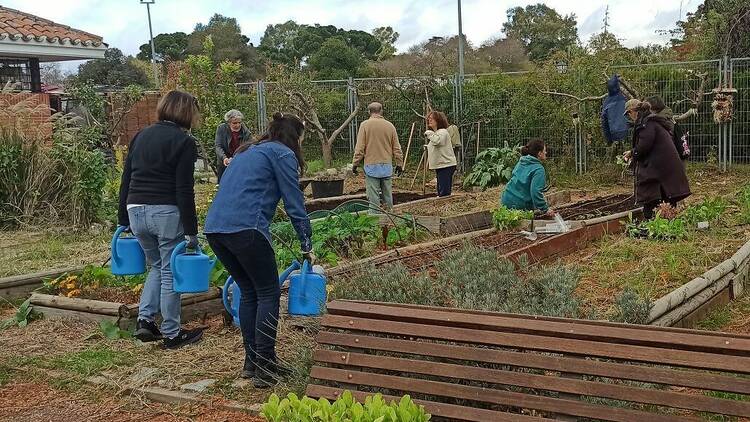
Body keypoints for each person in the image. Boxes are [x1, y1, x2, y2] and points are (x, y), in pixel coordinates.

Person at [204, 112, 313, 388]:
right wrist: (306, 243)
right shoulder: (283, 154)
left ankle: (252, 364)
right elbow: (294, 202)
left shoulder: (245, 151)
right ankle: (265, 367)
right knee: (268, 292)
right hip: (246, 228)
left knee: (250, 291)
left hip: (216, 229)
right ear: (294, 137)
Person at [117, 90, 203, 349]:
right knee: (169, 270)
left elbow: (126, 178)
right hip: (164, 211)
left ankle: (145, 321)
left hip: (136, 208)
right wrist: (191, 230)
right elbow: (183, 189)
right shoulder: (184, 142)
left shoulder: (141, 135)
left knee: (156, 266)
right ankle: (172, 333)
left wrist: (123, 217)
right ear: (187, 113)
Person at [623, 99, 691, 219]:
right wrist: (633, 153)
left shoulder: (646, 124)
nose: (629, 116)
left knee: (650, 191)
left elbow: (644, 146)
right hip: (665, 165)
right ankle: (665, 220)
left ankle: (655, 220)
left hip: (660, 166)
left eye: (628, 113)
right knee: (665, 194)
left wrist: (632, 153)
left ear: (633, 111)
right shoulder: (652, 121)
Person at [352, 102, 403, 210]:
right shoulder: (390, 126)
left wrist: (355, 163)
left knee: (373, 195)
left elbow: (360, 147)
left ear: (369, 112)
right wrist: (399, 163)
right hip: (386, 165)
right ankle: (390, 217)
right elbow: (396, 148)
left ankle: (374, 220)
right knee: (387, 195)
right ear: (381, 111)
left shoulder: (365, 125)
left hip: (371, 165)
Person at [501, 138, 554, 217]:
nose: (546, 152)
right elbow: (535, 192)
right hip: (519, 205)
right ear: (539, 153)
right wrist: (545, 209)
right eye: (544, 150)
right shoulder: (538, 169)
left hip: (506, 199)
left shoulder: (522, 161)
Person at [424, 111, 458, 197]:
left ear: (438, 120)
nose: (429, 120)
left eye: (432, 118)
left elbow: (438, 141)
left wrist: (429, 133)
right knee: (441, 190)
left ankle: (446, 207)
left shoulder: (443, 132)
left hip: (446, 165)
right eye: (429, 118)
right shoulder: (437, 133)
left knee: (444, 192)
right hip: (441, 166)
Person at [215, 109, 252, 182]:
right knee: (223, 184)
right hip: (224, 162)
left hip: (240, 161)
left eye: (239, 122)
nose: (237, 125)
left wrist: (236, 158)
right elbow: (218, 146)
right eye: (234, 123)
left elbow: (248, 147)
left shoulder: (246, 132)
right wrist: (224, 158)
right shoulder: (221, 128)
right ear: (228, 123)